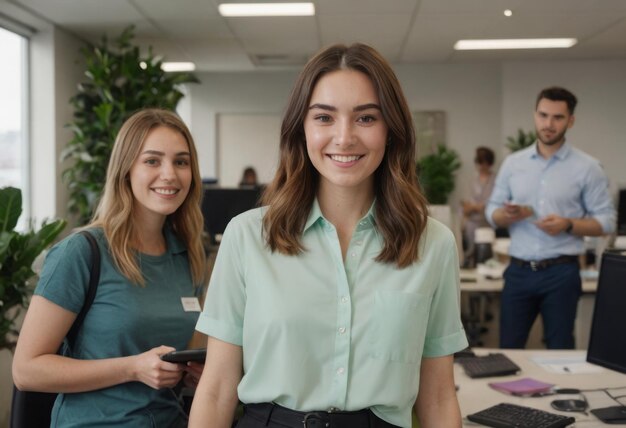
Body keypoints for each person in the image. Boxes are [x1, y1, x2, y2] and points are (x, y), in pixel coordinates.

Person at [189, 43, 468, 428]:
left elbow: (437, 396)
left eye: (366, 118)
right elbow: (217, 387)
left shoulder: (433, 244)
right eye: (324, 117)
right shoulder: (248, 236)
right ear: (301, 129)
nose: (344, 137)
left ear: (392, 130)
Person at [12, 108, 208, 427]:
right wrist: (133, 368)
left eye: (181, 162)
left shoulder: (187, 256)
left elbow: (165, 361)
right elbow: (26, 371)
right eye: (152, 160)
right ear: (125, 170)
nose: (170, 174)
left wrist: (189, 377)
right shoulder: (81, 252)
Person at [486, 86, 616, 349]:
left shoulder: (587, 167)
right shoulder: (513, 164)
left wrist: (568, 224)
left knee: (560, 350)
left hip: (562, 272)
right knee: (508, 349)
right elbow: (491, 213)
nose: (548, 124)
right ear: (535, 115)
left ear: (571, 120)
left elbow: (607, 222)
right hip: (518, 271)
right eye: (543, 115)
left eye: (557, 117)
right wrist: (507, 214)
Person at [461, 146, 496, 267]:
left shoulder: (495, 180)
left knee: (486, 253)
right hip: (472, 221)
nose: (481, 165)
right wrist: (476, 207)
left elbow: (494, 202)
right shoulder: (471, 179)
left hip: (488, 221)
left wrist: (478, 206)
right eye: (478, 162)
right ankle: (470, 263)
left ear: (488, 163)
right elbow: (465, 204)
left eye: (483, 162)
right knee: (469, 250)